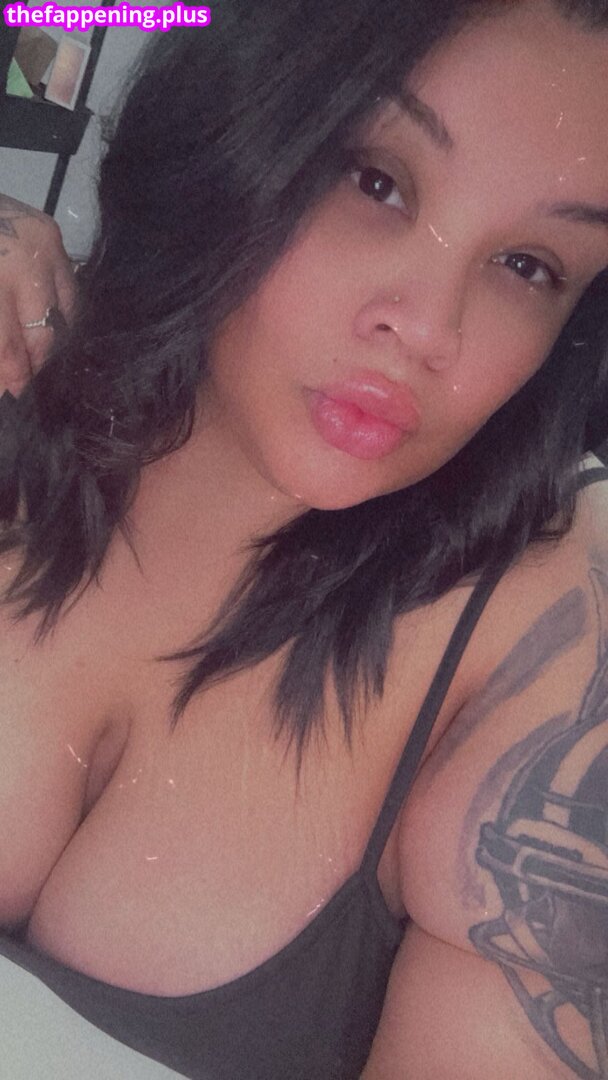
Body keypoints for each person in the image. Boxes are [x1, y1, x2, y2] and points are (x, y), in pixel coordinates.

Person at [0, 1, 608, 1077]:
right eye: (376, 181)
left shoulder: (555, 629)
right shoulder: (24, 366)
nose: (426, 328)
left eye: (527, 265)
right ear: (241, 122)